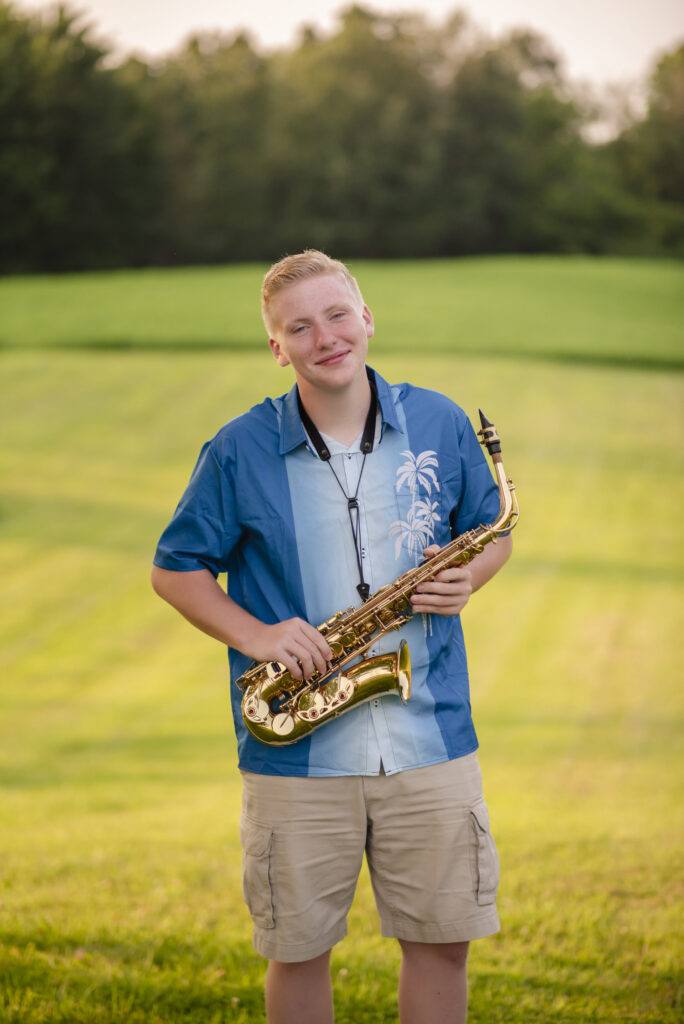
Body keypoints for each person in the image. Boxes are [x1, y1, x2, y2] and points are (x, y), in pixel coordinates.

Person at [151, 250, 512, 1024]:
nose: (327, 338)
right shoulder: (238, 448)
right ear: (278, 348)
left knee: (444, 943)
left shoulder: (442, 422)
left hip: (433, 738)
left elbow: (490, 534)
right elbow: (174, 570)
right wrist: (259, 635)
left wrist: (466, 579)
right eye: (300, 327)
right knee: (299, 949)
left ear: (367, 317)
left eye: (338, 314)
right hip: (298, 749)